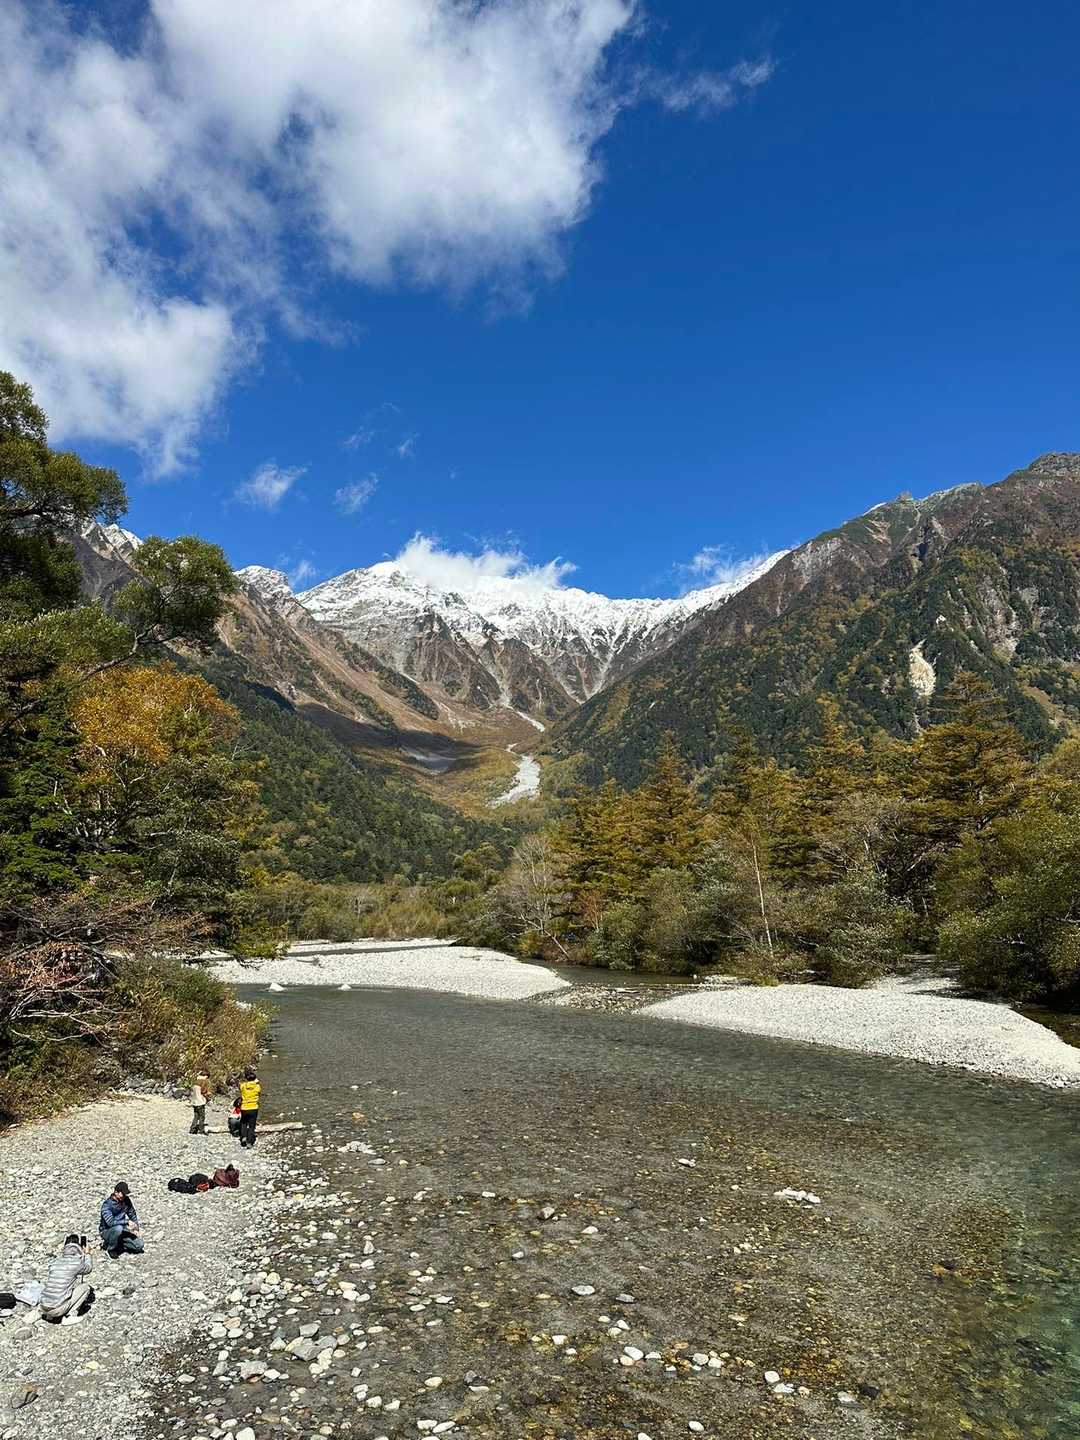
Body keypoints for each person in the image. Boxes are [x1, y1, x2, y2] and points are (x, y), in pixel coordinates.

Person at [40, 1235, 93, 1322]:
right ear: (79, 1247)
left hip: (43, 1307)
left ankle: (49, 1316)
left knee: (58, 1283)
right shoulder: (76, 1263)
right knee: (85, 1287)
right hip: (57, 1310)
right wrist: (87, 1254)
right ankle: (70, 1315)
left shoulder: (55, 1261)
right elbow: (88, 1269)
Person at [99, 1182, 144, 1258]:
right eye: (122, 1194)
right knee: (118, 1228)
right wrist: (127, 1222)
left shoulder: (126, 1200)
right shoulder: (107, 1205)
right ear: (116, 1192)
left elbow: (132, 1214)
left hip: (122, 1229)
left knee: (139, 1245)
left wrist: (136, 1228)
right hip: (107, 1231)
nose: (124, 1196)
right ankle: (111, 1249)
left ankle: (118, 1243)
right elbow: (110, 1222)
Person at [238, 1065, 260, 1148]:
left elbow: (240, 1086)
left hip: (244, 1107)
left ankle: (243, 1136)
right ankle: (249, 1142)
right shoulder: (257, 1087)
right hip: (254, 1107)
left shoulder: (243, 1086)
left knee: (243, 1123)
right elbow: (258, 1088)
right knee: (251, 1126)